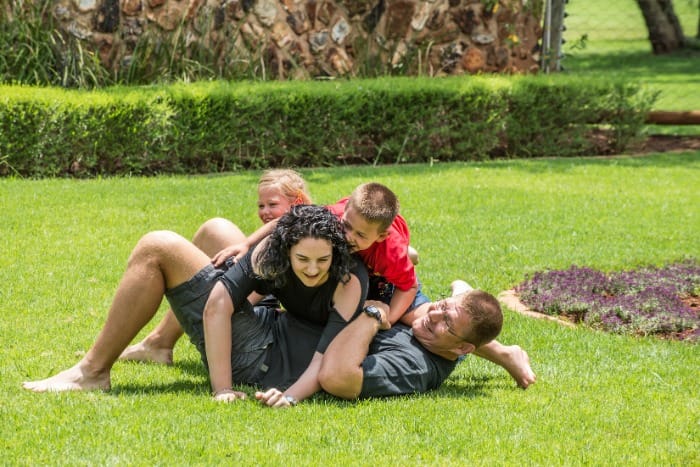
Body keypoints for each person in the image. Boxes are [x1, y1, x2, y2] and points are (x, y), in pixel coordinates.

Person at [23, 205, 368, 408]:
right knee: (215, 229)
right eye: (302, 259)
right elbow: (219, 303)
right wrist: (222, 389)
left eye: (321, 260)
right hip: (270, 323)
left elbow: (326, 358)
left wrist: (230, 389)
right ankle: (159, 344)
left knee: (158, 246)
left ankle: (92, 372)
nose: (312, 268)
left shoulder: (349, 280)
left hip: (260, 354)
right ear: (287, 249)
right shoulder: (271, 251)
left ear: (336, 252)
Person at [217, 182, 536, 388]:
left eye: (358, 235)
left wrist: (389, 317)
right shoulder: (338, 217)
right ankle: (461, 299)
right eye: (347, 228)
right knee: (442, 317)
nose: (347, 237)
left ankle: (503, 351)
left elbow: (408, 289)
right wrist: (245, 245)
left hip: (388, 282)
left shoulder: (391, 251)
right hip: (361, 267)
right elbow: (286, 222)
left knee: (423, 318)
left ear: (380, 235)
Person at [119, 168, 312, 365]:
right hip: (258, 296)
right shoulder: (278, 233)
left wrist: (222, 294)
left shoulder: (302, 237)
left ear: (297, 201)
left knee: (163, 251)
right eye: (261, 205)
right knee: (213, 229)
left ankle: (152, 345)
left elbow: (253, 294)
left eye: (272, 204)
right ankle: (159, 342)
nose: (264, 212)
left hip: (253, 312)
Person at [319, 289, 506, 399]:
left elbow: (338, 378)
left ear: (462, 348)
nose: (432, 315)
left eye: (447, 322)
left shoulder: (415, 365)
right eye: (442, 305)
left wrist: (373, 315)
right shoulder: (443, 338)